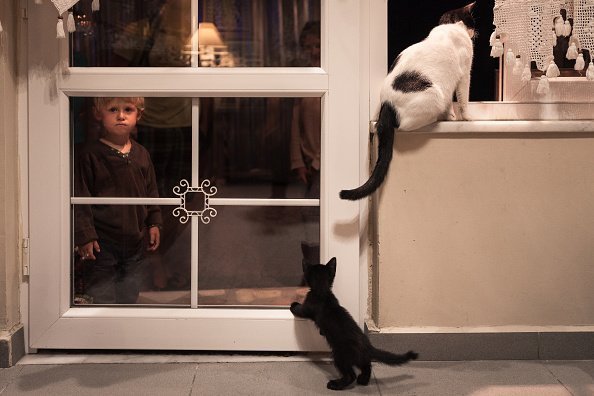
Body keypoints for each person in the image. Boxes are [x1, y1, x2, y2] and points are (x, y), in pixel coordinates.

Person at [74, 97, 162, 304]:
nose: (121, 116)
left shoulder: (141, 154)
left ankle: (126, 330)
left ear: (138, 115)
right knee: (101, 293)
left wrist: (154, 222)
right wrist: (85, 235)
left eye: (128, 110)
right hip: (102, 241)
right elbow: (80, 196)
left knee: (130, 292)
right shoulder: (89, 154)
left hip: (135, 238)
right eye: (113, 109)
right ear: (98, 113)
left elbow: (151, 191)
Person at [290, 21, 321, 266]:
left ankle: (314, 267)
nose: (313, 51)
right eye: (308, 47)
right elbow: (295, 125)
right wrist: (298, 161)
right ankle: (310, 266)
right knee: (309, 213)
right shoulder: (304, 77)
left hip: (326, 162)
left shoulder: (332, 77)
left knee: (312, 214)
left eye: (318, 46)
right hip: (309, 162)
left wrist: (318, 161)